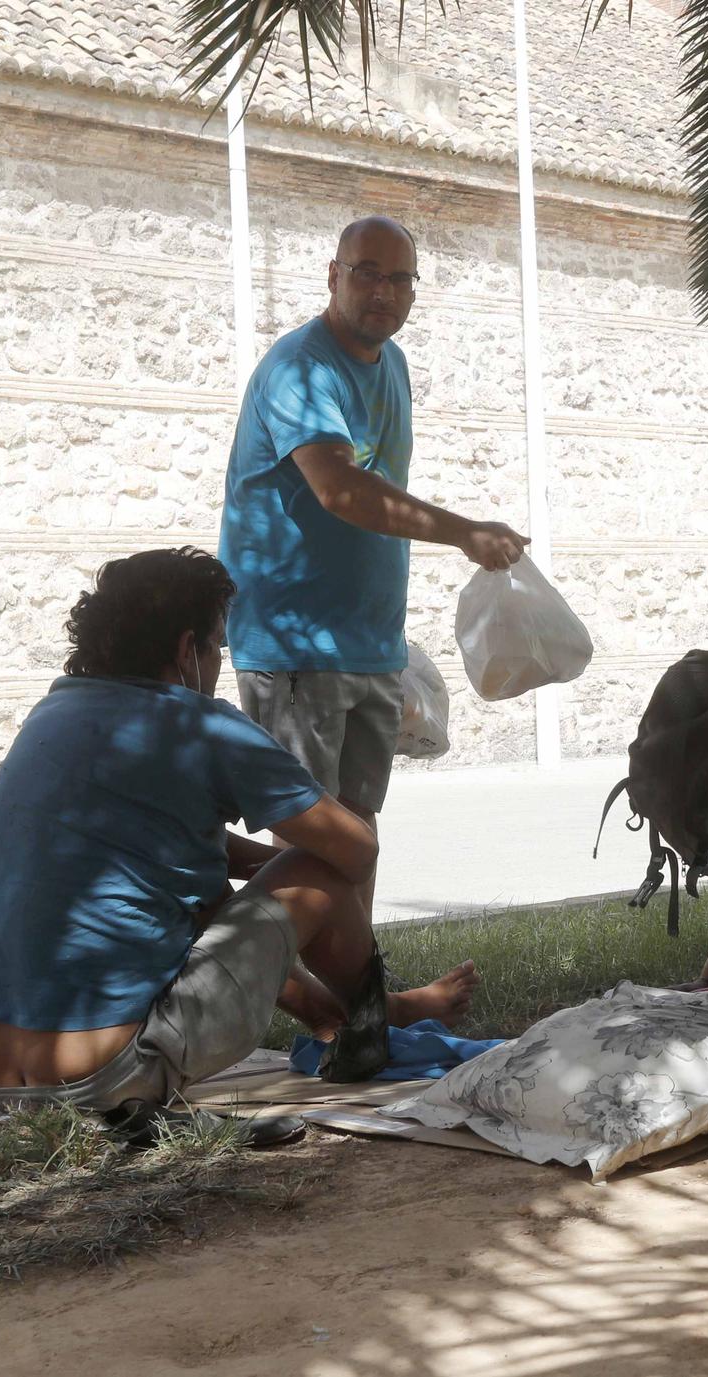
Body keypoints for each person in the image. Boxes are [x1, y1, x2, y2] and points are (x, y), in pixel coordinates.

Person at [0, 548, 479, 1147]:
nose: (218, 665)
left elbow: (151, 852)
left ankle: (347, 1017)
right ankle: (370, 1023)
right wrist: (275, 859)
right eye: (217, 648)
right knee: (316, 874)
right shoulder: (200, 726)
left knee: (218, 901)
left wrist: (251, 866)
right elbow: (353, 852)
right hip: (107, 1075)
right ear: (184, 650)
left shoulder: (54, 712)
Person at [218, 213, 527, 918]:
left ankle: (355, 1007)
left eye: (399, 278)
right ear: (333, 276)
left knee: (358, 835)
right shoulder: (300, 366)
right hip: (295, 647)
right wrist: (464, 533)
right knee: (312, 843)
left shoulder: (394, 364)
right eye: (366, 273)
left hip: (369, 642)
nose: (383, 291)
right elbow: (340, 487)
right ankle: (302, 1000)